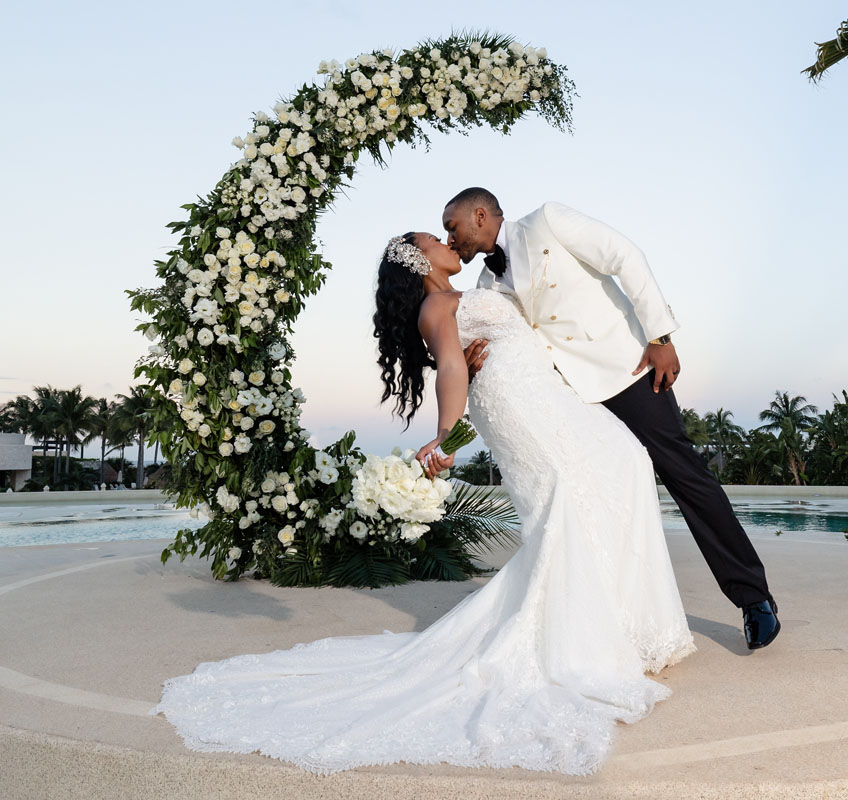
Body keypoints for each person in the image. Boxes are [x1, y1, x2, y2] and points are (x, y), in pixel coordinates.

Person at [150, 232, 696, 776]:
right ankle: (601, 639)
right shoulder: (437, 304)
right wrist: (446, 434)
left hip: (541, 395)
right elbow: (453, 369)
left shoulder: (468, 294)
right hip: (525, 412)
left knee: (621, 468)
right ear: (417, 260)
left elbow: (496, 343)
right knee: (588, 493)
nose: (447, 241)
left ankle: (626, 625)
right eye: (435, 238)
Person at [440, 188, 780, 649]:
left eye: (452, 226)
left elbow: (625, 256)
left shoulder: (548, 220)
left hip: (628, 370)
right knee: (596, 495)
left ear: (479, 215)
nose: (450, 236)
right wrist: (473, 361)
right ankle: (616, 616)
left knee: (684, 475)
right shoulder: (486, 285)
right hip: (569, 399)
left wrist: (660, 335)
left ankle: (753, 599)